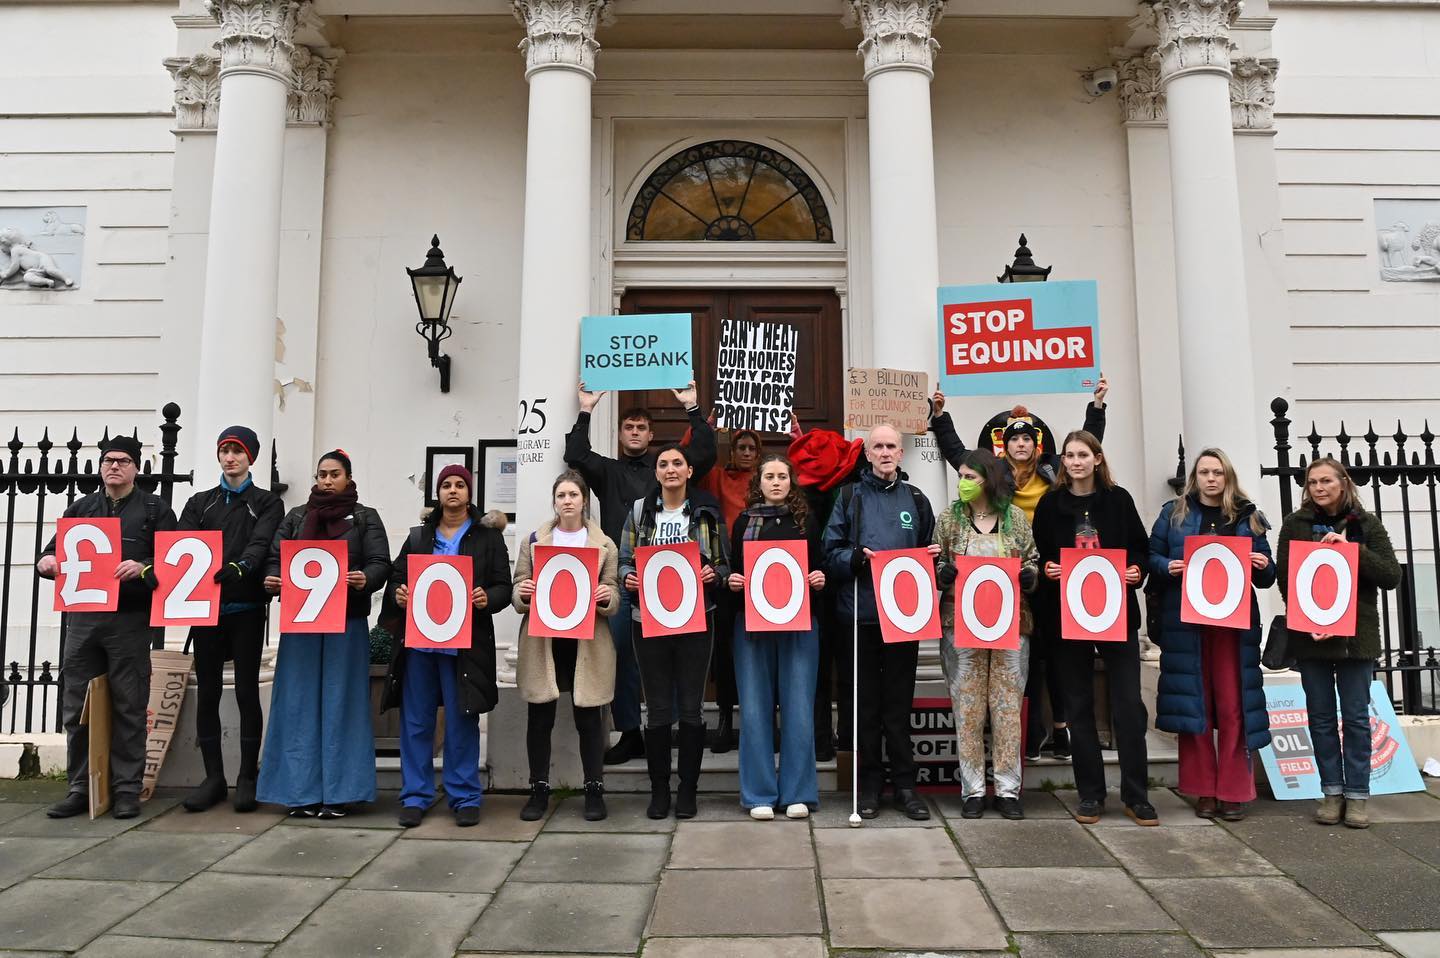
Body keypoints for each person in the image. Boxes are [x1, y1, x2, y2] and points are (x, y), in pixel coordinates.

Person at [931, 375, 1110, 761]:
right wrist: (939, 417)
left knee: (1053, 651)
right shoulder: (994, 478)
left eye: (1028, 438)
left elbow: (1089, 447)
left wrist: (1096, 407)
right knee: (1020, 654)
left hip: (1050, 573)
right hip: (1004, 580)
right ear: (1003, 445)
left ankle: (1060, 729)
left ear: (1038, 444)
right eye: (1014, 439)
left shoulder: (1054, 473)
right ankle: (1028, 736)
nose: (1021, 443)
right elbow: (958, 454)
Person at [565, 380, 716, 765]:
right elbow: (575, 452)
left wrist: (692, 407)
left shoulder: (667, 469)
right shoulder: (608, 472)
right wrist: (586, 408)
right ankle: (631, 731)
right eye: (628, 427)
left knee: (677, 657)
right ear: (619, 435)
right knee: (621, 657)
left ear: (651, 435)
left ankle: (680, 727)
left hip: (675, 582)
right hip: (624, 578)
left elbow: (704, 450)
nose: (634, 433)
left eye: (641, 428)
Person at [38, 435, 177, 819]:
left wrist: (144, 567)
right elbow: (50, 552)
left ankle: (126, 789)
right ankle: (80, 787)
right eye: (108, 460)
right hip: (83, 619)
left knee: (129, 703)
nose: (114, 466)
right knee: (75, 703)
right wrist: (46, 562)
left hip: (129, 619)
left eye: (123, 461)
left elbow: (175, 559)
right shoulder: (81, 508)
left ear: (136, 467)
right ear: (101, 466)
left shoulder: (154, 509)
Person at [1032, 430, 1155, 826]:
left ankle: (1136, 795)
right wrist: (1048, 569)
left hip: (1116, 613)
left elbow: (1140, 547)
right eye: (1069, 456)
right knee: (1078, 705)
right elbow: (1042, 553)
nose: (1075, 461)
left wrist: (1137, 570)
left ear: (1097, 459)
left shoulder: (1118, 500)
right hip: (1068, 617)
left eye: (1083, 454)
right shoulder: (1051, 504)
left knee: (1127, 706)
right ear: (1063, 462)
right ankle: (1091, 795)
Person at [258, 450, 390, 819]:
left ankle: (339, 792)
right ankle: (298, 793)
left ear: (348, 477)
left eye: (334, 474)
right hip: (302, 623)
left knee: (342, 702)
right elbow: (275, 556)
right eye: (322, 475)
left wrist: (367, 579)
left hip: (346, 621)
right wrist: (273, 579)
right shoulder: (297, 516)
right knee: (297, 704)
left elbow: (381, 562)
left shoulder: (365, 518)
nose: (327, 481)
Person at [1148, 449, 1275, 821]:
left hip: (1233, 627)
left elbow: (1268, 576)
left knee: (1234, 706)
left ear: (1227, 476)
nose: (1211, 479)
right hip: (1186, 624)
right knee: (1195, 706)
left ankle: (1233, 790)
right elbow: (1150, 556)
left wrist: (1264, 564)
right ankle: (1204, 790)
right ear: (1195, 477)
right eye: (1204, 472)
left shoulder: (1248, 516)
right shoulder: (1174, 514)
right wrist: (1167, 565)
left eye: (1217, 472)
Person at [383, 464, 511, 828]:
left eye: (460, 485)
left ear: (470, 493)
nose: (453, 491)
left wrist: (490, 596)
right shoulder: (420, 537)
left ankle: (464, 794)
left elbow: (503, 583)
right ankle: (416, 795)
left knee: (462, 720)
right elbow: (396, 575)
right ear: (437, 494)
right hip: (420, 645)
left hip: (464, 647)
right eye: (446, 485)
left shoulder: (487, 538)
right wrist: (400, 592)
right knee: (416, 720)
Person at [823, 423, 938, 821]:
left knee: (898, 706)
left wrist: (933, 558)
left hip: (904, 621)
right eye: (878, 447)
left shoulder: (918, 500)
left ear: (900, 453)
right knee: (865, 707)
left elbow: (927, 554)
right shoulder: (849, 497)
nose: (886, 452)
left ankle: (905, 785)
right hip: (860, 617)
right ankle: (869, 785)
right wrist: (855, 557)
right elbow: (830, 552)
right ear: (867, 454)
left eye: (892, 446)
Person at [1277, 457, 1400, 829]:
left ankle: (1358, 796)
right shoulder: (1295, 525)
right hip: (1311, 637)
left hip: (1356, 639)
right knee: (1321, 718)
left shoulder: (1366, 524)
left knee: (1357, 719)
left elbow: (1391, 575)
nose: (1319, 488)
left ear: (1343, 482)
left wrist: (1353, 550)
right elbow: (1287, 578)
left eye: (1327, 480)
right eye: (1313, 482)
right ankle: (1331, 791)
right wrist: (1312, 618)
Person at [618, 444, 728, 820]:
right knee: (659, 709)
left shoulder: (707, 512)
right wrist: (626, 578)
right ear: (656, 472)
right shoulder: (639, 512)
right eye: (663, 464)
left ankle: (688, 791)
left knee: (692, 709)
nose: (670, 469)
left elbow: (724, 563)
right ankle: (659, 791)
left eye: (677, 463)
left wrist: (715, 573)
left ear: (689, 471)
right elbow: (622, 561)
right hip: (647, 621)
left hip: (697, 619)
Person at [178, 426, 284, 813]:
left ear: (250, 457)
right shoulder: (200, 502)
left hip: (246, 609)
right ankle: (213, 778)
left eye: (238, 451)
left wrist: (244, 566)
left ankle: (247, 777)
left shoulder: (266, 501)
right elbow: (184, 545)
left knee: (245, 692)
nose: (230, 457)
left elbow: (262, 541)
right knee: (207, 693)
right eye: (224, 450)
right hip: (206, 610)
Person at [934, 448, 1039, 820]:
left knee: (1008, 707)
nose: (963, 482)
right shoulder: (949, 519)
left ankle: (1008, 790)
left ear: (988, 479)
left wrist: (1030, 577)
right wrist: (941, 574)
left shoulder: (1015, 518)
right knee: (967, 707)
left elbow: (1032, 561)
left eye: (970, 477)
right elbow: (935, 561)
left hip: (1012, 624)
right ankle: (973, 789)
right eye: (960, 475)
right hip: (959, 625)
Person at [512, 471, 621, 823]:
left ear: (584, 500)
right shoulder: (533, 541)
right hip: (544, 639)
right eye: (561, 495)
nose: (568, 500)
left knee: (589, 716)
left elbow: (613, 589)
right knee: (540, 715)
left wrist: (607, 596)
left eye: (574, 494)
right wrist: (523, 594)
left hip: (587, 639)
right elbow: (518, 587)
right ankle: (538, 789)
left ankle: (593, 789)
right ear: (554, 500)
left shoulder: (604, 544)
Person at [727, 454, 825, 820]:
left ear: (791, 481)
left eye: (782, 476)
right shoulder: (744, 523)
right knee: (754, 709)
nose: (776, 482)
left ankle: (798, 793)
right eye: (769, 476)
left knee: (799, 707)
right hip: (751, 624)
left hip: (800, 623)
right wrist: (732, 581)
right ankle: (759, 795)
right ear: (759, 482)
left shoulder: (805, 522)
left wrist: (819, 578)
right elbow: (734, 570)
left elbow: (820, 564)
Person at [696, 427, 762, 754]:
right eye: (741, 447)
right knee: (724, 650)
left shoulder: (767, 480)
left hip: (765, 573)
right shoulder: (718, 478)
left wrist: (796, 433)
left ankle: (764, 721)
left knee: (763, 645)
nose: (747, 453)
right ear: (732, 451)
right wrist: (704, 428)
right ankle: (724, 719)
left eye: (752, 448)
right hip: (726, 572)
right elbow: (692, 459)